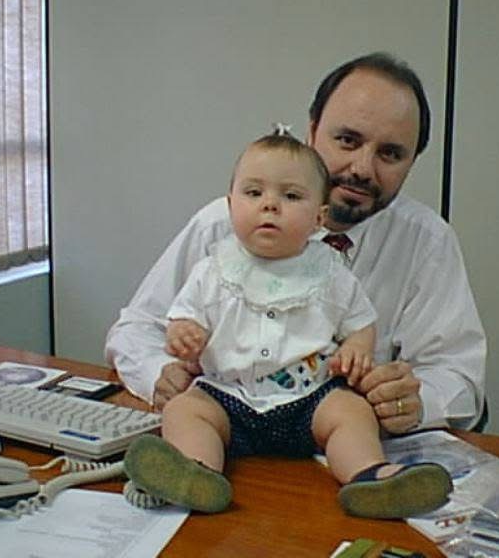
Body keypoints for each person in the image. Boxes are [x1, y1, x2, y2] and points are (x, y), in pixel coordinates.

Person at [106, 52, 486, 435]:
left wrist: (418, 401)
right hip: (231, 446)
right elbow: (135, 329)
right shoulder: (224, 225)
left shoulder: (427, 242)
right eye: (347, 140)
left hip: (347, 456)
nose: (362, 169)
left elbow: (462, 378)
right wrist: (161, 373)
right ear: (312, 131)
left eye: (390, 153)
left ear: (412, 161)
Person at [123, 132, 452, 518]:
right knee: (184, 410)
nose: (270, 206)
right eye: (253, 193)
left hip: (310, 399)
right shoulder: (213, 268)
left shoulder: (330, 272)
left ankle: (372, 477)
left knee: (352, 413)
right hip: (228, 395)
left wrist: (356, 349)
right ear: (230, 205)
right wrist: (183, 334)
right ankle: (195, 472)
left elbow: (361, 322)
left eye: (291, 196)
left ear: (319, 218)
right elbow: (180, 316)